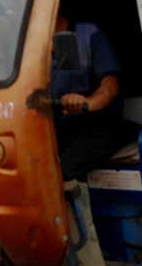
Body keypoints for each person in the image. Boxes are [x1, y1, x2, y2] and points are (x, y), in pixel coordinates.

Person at [51, 11, 125, 182]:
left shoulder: (88, 33)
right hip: (58, 126)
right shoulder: (32, 42)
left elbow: (110, 88)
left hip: (97, 125)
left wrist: (85, 103)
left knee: (65, 169)